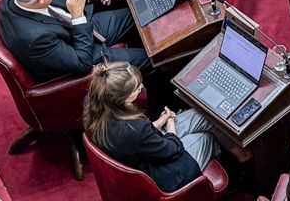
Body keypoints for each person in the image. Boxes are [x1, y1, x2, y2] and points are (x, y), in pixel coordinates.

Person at [0, 0, 146, 82]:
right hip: (81, 50)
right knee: (148, 58)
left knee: (139, 12)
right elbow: (82, 63)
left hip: (78, 28)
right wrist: (78, 16)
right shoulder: (36, 39)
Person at [84, 61, 221, 191]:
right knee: (206, 137)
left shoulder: (93, 105)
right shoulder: (135, 129)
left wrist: (160, 122)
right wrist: (171, 128)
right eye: (136, 87)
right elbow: (171, 149)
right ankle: (211, 184)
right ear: (122, 98)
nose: (141, 87)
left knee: (203, 116)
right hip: (163, 174)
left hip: (140, 153)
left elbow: (135, 139)